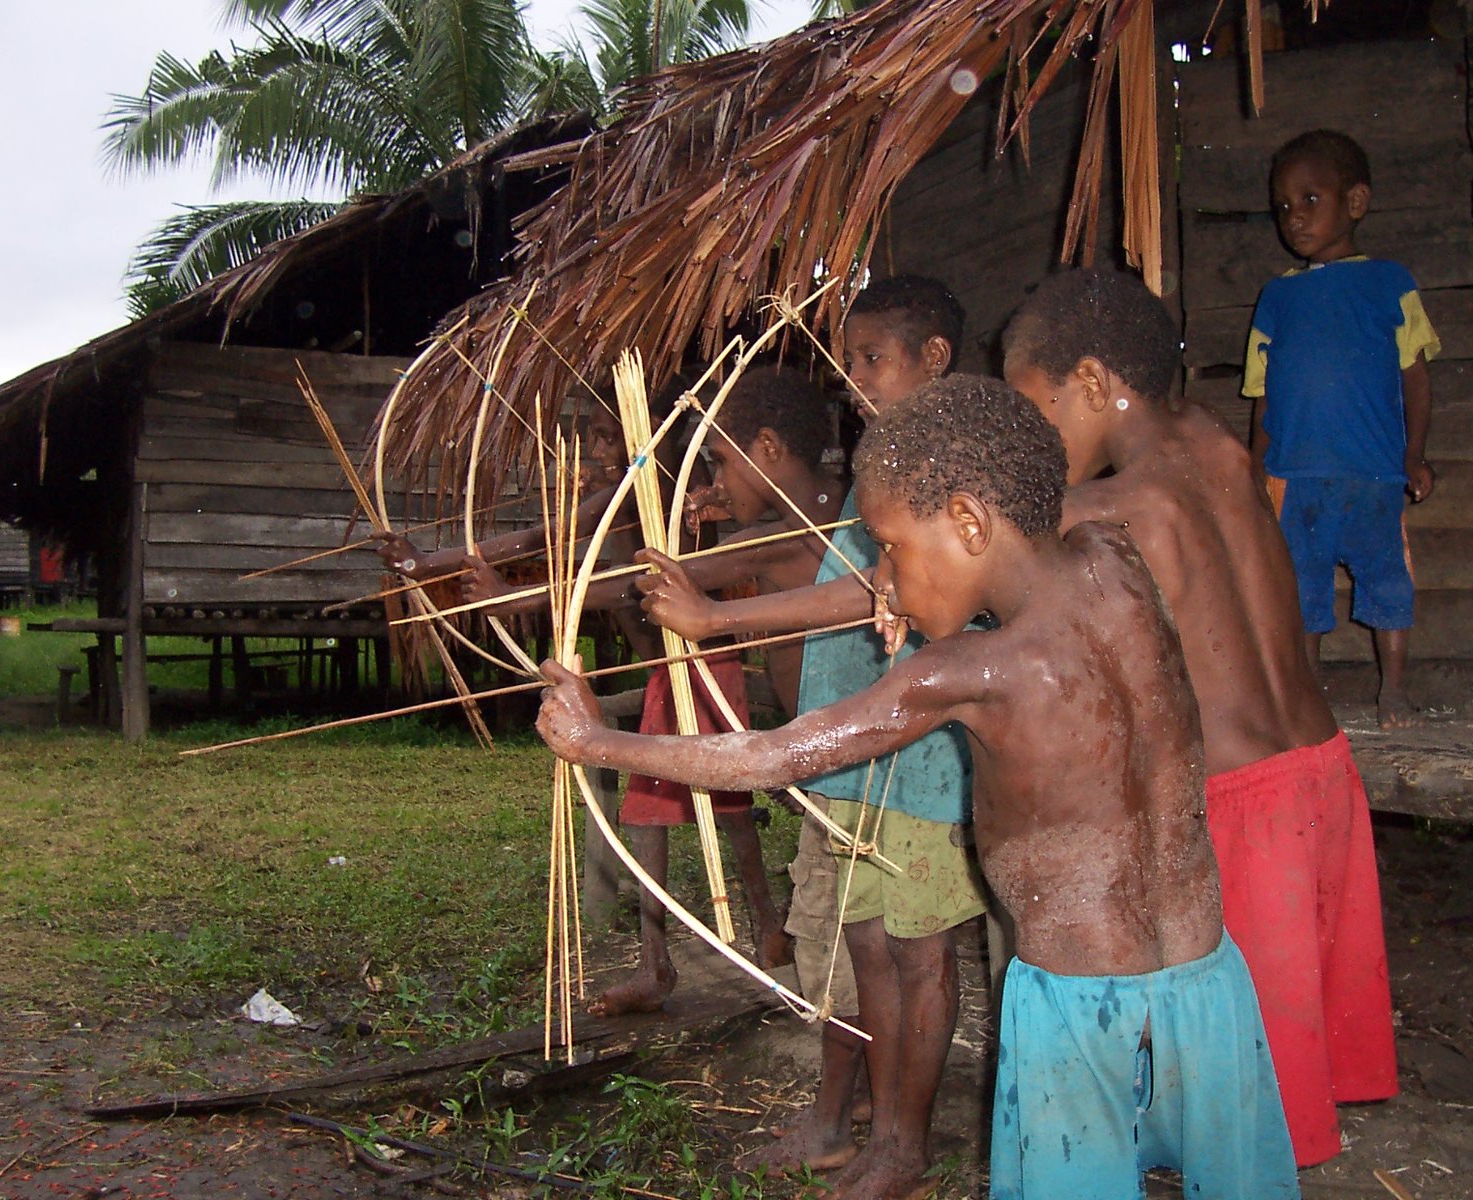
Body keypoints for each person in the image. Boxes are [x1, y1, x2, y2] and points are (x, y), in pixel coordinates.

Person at [538, 376, 1300, 1200]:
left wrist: (596, 741)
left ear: (967, 523)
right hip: (1207, 981)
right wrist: (927, 590)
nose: (886, 579)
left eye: (892, 550)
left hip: (1080, 1004)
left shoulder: (966, 673)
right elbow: (1034, 570)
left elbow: (775, 754)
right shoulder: (1115, 558)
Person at [1002, 266, 1397, 1167]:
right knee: (1281, 1054)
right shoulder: (1216, 442)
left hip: (1244, 810)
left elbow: (976, 546)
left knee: (1244, 1095)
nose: (1034, 443)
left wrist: (718, 617)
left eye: (1037, 412)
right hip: (1324, 774)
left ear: (1093, 383)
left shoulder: (1113, 508)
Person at [636, 276, 986, 1197]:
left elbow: (879, 594)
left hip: (925, 761)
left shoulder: (955, 462)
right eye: (850, 360)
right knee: (866, 949)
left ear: (935, 358)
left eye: (871, 358)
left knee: (920, 953)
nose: (853, 378)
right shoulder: (885, 465)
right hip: (857, 758)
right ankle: (878, 1133)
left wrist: (714, 619)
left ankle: (902, 1144)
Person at [381, 387, 793, 1017]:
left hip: (701, 662)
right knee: (673, 810)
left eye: (607, 436)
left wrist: (509, 594)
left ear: (646, 432)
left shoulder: (659, 484)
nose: (598, 451)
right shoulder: (628, 490)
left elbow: (618, 578)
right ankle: (683, 955)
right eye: (595, 437)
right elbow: (544, 539)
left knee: (722, 807)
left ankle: (741, 937)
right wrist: (427, 563)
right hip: (668, 668)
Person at [1244, 128, 1441, 730]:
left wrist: (1414, 455)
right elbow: (1263, 395)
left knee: (1387, 580)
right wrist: (1253, 471)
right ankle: (1310, 698)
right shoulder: (1277, 297)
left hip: (1372, 473)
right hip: (1296, 476)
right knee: (1301, 588)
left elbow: (1416, 379)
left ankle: (1393, 690)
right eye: (1283, 206)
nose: (1294, 218)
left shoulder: (1390, 283)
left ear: (1355, 201)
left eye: (1310, 199)